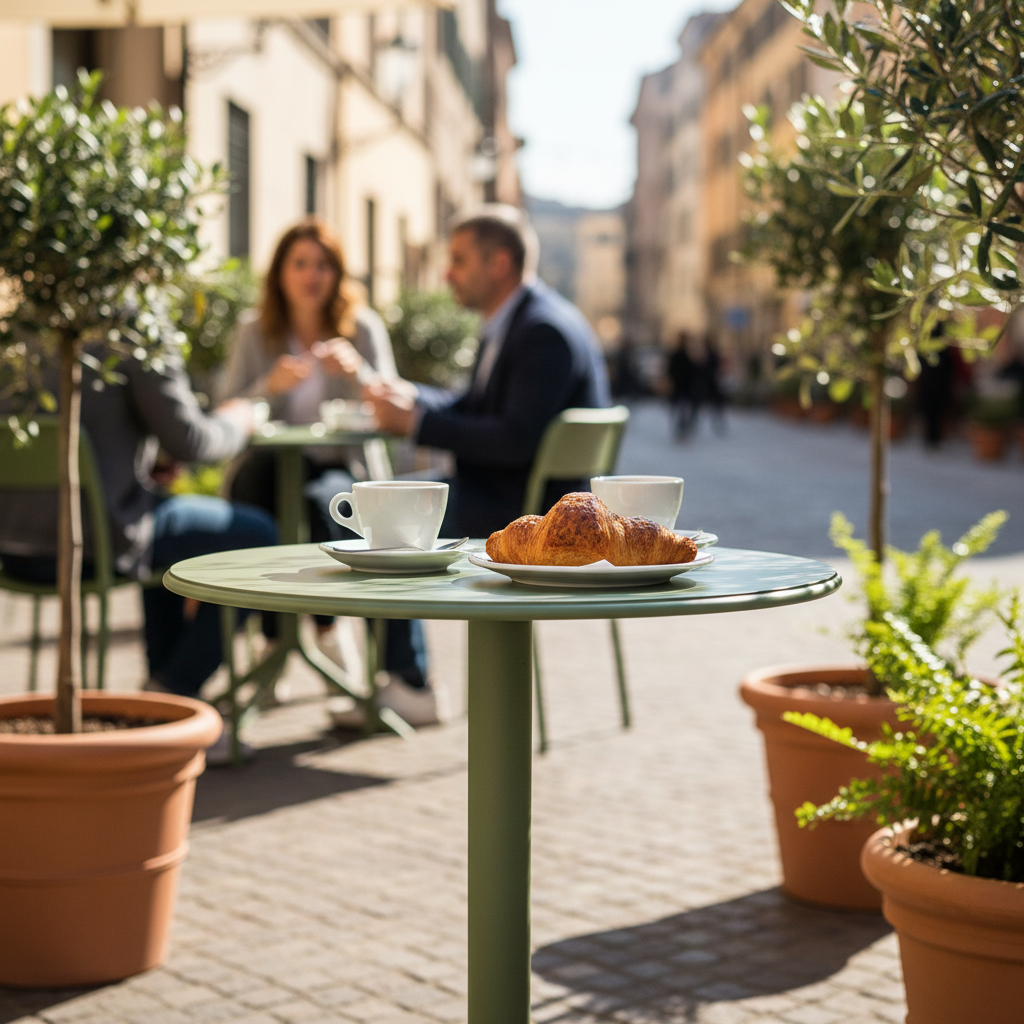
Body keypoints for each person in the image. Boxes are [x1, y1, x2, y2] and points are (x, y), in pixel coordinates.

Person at [329, 204, 611, 723]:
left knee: (385, 521)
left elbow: (514, 440)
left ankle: (412, 685)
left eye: (458, 260)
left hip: (529, 513)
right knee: (384, 506)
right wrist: (411, 398)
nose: (446, 273)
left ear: (498, 263)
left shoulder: (542, 331)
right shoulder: (519, 320)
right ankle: (400, 675)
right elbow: (478, 408)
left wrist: (415, 423)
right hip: (507, 493)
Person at [0, 347, 276, 762]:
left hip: (12, 546)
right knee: (257, 535)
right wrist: (242, 417)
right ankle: (176, 692)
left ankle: (165, 700)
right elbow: (193, 441)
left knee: (164, 526)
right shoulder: (134, 329)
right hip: (100, 538)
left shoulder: (19, 326)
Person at [217, 220, 429, 702]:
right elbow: (227, 407)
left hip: (340, 465)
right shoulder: (255, 331)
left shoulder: (363, 326)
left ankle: (328, 634)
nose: (313, 275)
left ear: (338, 273)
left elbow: (393, 405)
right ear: (280, 273)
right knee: (255, 505)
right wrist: (268, 387)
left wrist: (359, 373)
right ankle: (274, 642)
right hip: (268, 465)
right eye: (301, 263)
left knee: (324, 504)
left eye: (324, 264)